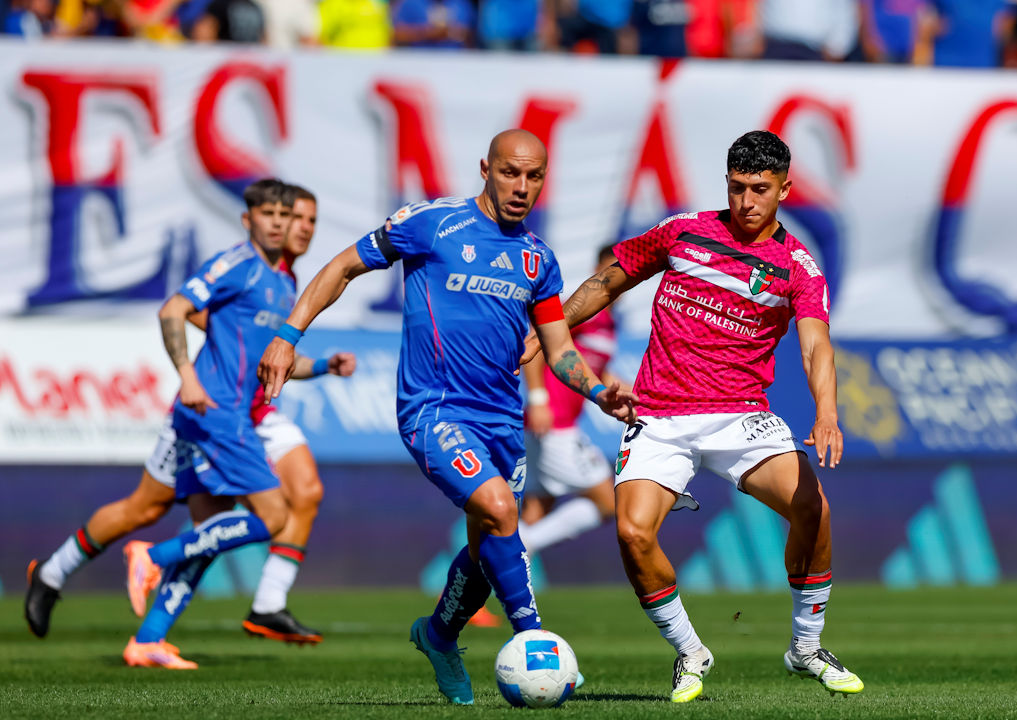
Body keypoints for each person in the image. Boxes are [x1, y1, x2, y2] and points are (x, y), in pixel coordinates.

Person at [256, 129, 635, 705]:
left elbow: (558, 348)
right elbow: (341, 268)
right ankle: (536, 641)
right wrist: (288, 334)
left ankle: (438, 636)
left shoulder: (539, 259)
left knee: (491, 538)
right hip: (433, 410)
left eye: (534, 177)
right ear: (485, 168)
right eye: (510, 173)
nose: (522, 187)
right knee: (501, 508)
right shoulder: (431, 224)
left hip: (502, 423)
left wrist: (597, 391)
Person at [522, 130, 860, 702]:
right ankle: (691, 651)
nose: (747, 202)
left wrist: (827, 411)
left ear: (785, 188)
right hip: (660, 416)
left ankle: (806, 646)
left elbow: (815, 345)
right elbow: (605, 283)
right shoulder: (682, 231)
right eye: (737, 188)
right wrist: (550, 331)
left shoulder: (797, 266)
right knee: (631, 532)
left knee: (813, 507)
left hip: (740, 417)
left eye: (760, 189)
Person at [24, 185, 350, 647]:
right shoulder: (239, 266)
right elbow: (178, 309)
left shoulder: (285, 283)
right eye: (286, 215)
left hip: (241, 414)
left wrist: (322, 366)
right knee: (156, 509)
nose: (294, 226)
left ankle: (154, 637)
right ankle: (90, 567)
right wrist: (189, 374)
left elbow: (268, 355)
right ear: (251, 219)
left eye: (303, 219)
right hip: (216, 415)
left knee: (218, 526)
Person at [519, 246, 620, 556]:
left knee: (534, 513)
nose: (617, 275)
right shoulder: (582, 309)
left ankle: (467, 594)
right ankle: (524, 545)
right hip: (554, 424)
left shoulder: (608, 321)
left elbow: (595, 370)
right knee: (610, 502)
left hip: (551, 426)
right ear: (597, 268)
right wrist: (537, 399)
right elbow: (535, 342)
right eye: (610, 268)